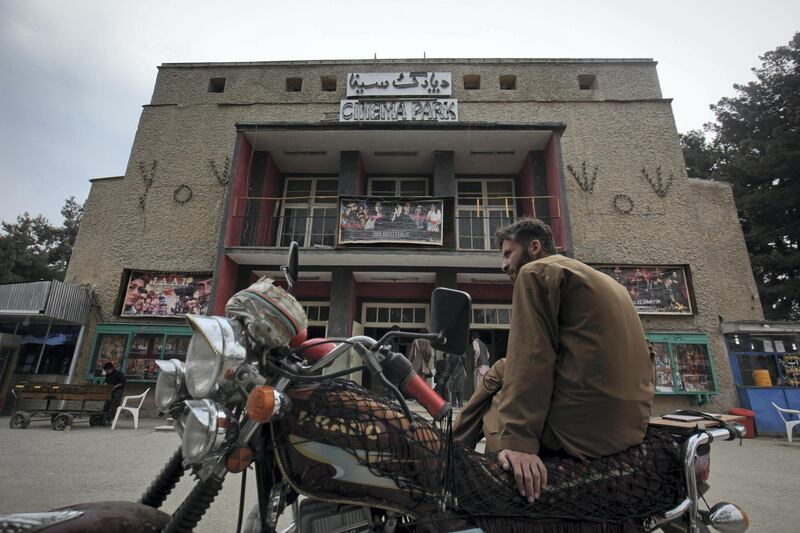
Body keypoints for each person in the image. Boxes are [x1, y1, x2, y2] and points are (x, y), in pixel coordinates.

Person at [453, 218, 654, 503]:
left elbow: (533, 355)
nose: (504, 265)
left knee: (499, 380)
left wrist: (519, 441)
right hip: (627, 428)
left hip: (578, 431)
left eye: (508, 254)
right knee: (502, 367)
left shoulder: (536, 272)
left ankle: (453, 455)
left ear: (534, 247)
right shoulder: (606, 282)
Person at [102, 361, 127, 425]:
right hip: (110, 391)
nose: (107, 372)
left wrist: (115, 386)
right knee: (107, 404)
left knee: (114, 405)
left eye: (107, 370)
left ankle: (111, 419)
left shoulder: (119, 373)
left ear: (111, 368)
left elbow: (123, 382)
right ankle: (104, 418)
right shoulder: (108, 374)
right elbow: (106, 381)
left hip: (118, 391)